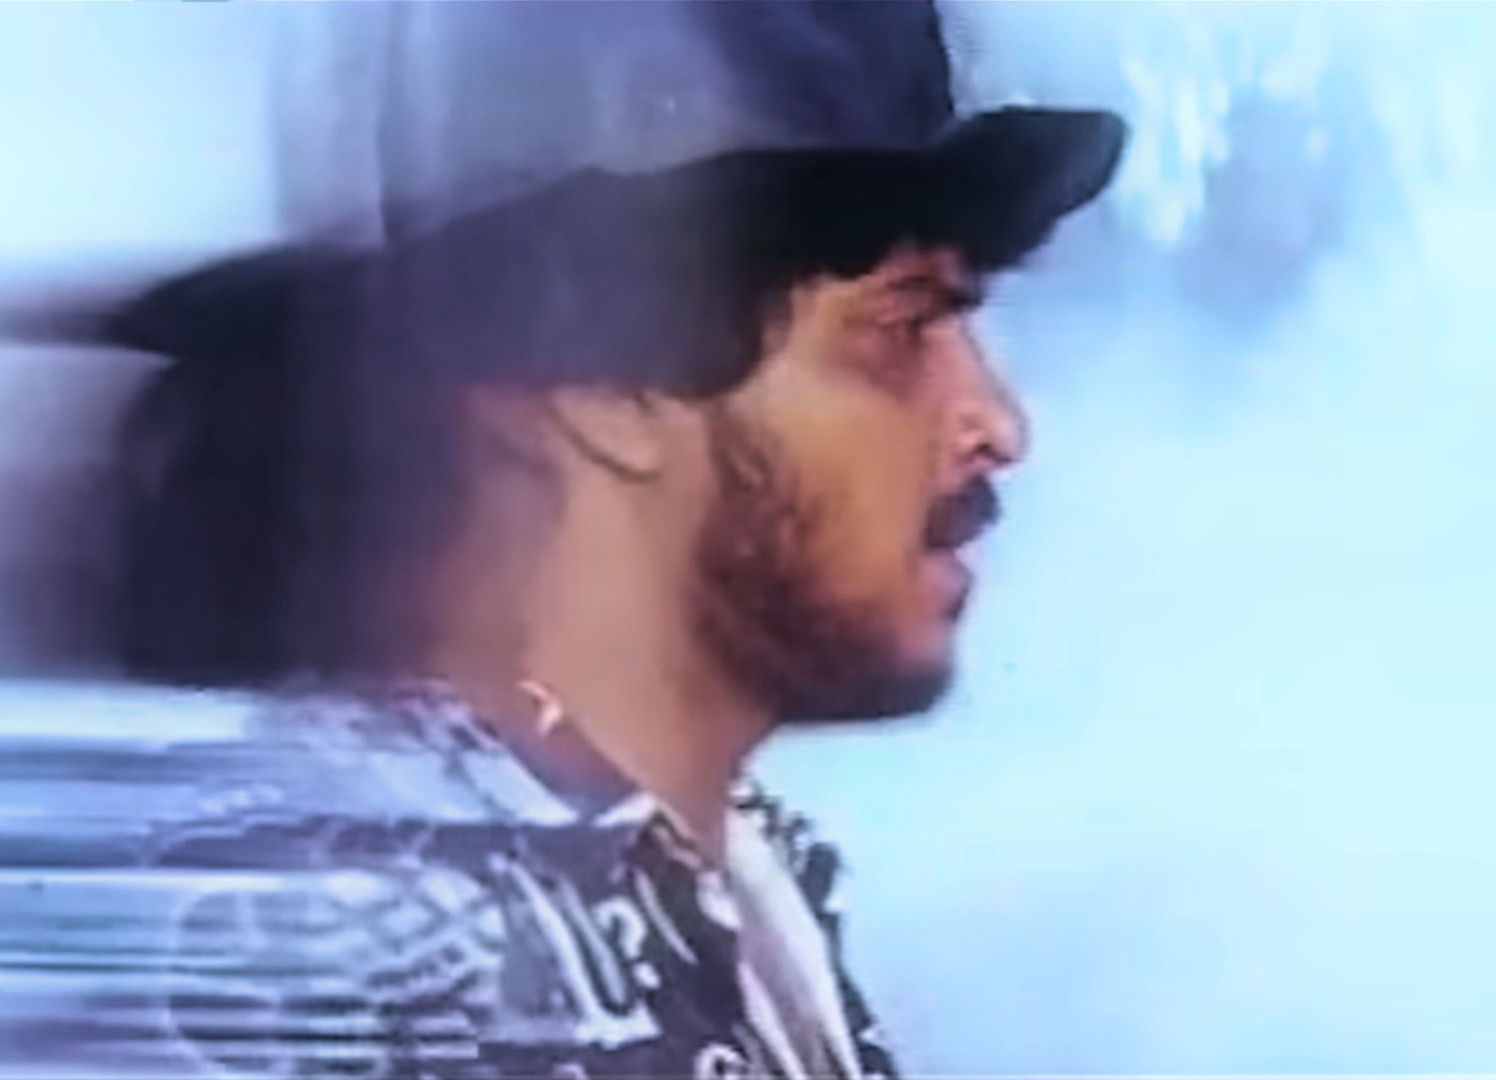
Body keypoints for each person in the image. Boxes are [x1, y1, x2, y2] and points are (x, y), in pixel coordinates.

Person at [100, 3, 1127, 1077]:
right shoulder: (371, 981)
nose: (997, 425)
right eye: (902, 327)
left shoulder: (728, 896)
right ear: (606, 390)